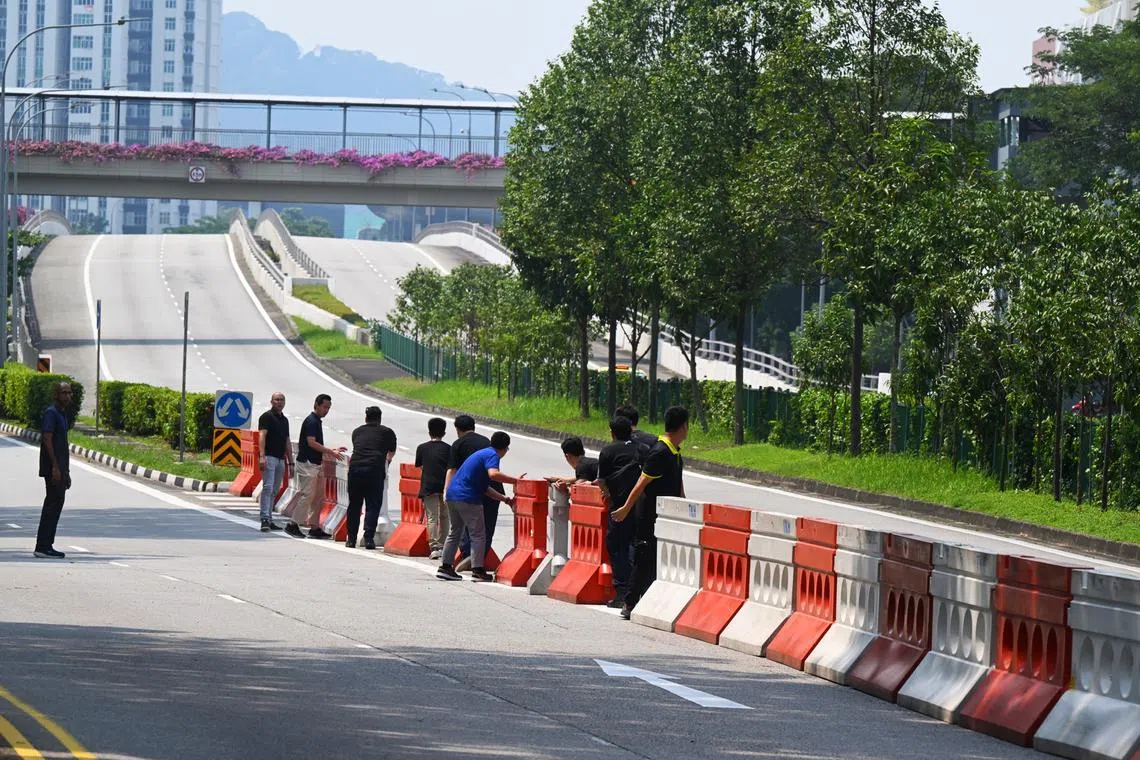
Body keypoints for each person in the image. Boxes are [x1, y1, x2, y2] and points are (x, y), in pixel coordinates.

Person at [611, 405, 689, 620]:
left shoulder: (673, 451)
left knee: (660, 560)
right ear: (684, 427)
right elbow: (642, 483)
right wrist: (626, 509)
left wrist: (684, 506)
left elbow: (677, 482)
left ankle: (648, 599)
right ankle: (630, 602)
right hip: (650, 516)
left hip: (667, 515)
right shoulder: (660, 452)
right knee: (645, 558)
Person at [438, 431, 523, 583]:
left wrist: (505, 499)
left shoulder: (480, 454)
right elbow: (493, 474)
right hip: (467, 497)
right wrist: (516, 480)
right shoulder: (492, 455)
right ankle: (478, 570)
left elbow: (484, 488)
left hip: (453, 495)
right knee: (478, 534)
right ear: (505, 448)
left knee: (455, 532)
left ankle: (445, 567)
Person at [445, 415, 504, 572]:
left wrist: (447, 492)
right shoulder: (487, 445)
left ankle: (454, 562)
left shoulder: (458, 444)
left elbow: (451, 470)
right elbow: (492, 475)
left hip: (461, 492)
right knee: (483, 531)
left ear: (457, 429)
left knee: (459, 530)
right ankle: (478, 565)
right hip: (479, 491)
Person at [597, 416, 643, 608]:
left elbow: (602, 481)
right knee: (636, 545)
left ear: (612, 432)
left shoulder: (608, 450)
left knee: (616, 546)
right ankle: (636, 591)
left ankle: (622, 592)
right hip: (640, 506)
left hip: (619, 506)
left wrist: (608, 496)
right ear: (632, 431)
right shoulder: (641, 449)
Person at [286, 394, 345, 539]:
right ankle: (293, 524)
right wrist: (330, 451)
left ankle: (314, 527)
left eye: (328, 408)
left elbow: (315, 443)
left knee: (319, 497)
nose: (326, 410)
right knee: (307, 495)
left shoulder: (317, 421)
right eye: (324, 407)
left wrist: (331, 449)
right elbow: (311, 442)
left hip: (315, 464)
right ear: (316, 405)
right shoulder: (311, 421)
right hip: (307, 464)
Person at [345, 406, 398, 550]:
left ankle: (351, 539)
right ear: (380, 419)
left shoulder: (357, 431)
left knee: (354, 505)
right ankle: (369, 538)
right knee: (373, 506)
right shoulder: (387, 432)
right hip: (374, 471)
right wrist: (385, 462)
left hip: (355, 470)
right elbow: (390, 453)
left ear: (366, 418)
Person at [35, 382, 73, 559]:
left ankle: (46, 544)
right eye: (63, 393)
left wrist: (66, 472)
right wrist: (55, 467)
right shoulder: (51, 413)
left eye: (68, 393)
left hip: (61, 468)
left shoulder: (62, 414)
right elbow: (47, 439)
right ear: (56, 395)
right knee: (52, 505)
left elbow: (62, 445)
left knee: (56, 504)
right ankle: (43, 546)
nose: (67, 396)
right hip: (53, 468)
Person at [415, 417, 451, 559]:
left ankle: (434, 546)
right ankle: (443, 545)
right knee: (445, 516)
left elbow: (420, 466)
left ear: (429, 432)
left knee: (432, 517)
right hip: (445, 486)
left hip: (428, 485)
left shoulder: (422, 448)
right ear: (444, 432)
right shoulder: (449, 449)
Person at [257, 391, 293, 532]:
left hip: (280, 459)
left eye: (282, 400)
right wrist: (261, 456)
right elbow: (262, 436)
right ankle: (264, 518)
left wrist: (291, 462)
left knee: (274, 490)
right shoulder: (266, 417)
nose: (279, 402)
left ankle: (270, 519)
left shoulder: (284, 420)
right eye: (277, 399)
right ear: (271, 402)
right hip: (269, 457)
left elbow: (287, 442)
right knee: (267, 488)